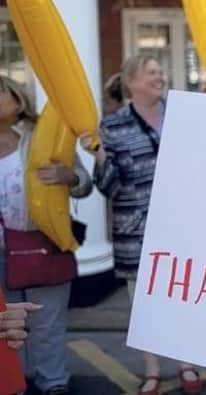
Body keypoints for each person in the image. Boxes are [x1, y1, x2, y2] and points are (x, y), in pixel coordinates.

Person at [80, 55, 202, 395]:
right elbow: (109, 187)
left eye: (161, 71)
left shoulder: (184, 115)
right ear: (131, 82)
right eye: (151, 73)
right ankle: (152, 370)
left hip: (182, 226)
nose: (160, 77)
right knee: (145, 307)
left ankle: (187, 364)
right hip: (137, 231)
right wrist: (100, 155)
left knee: (183, 297)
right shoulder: (113, 126)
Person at [0, 75, 93, 395]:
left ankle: (52, 383)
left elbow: (84, 183)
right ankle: (17, 383)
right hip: (1, 251)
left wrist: (68, 176)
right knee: (9, 329)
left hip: (43, 243)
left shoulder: (46, 134)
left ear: (18, 99)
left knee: (46, 324)